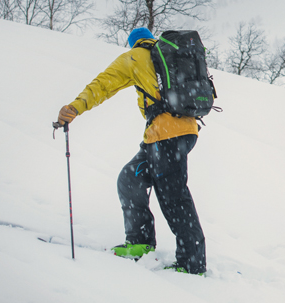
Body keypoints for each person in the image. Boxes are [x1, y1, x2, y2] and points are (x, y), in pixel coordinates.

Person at [55, 27, 206, 275]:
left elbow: (102, 85)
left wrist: (75, 107)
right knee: (130, 178)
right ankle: (140, 242)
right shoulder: (166, 55)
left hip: (166, 136)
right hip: (179, 132)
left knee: (174, 198)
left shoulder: (134, 57)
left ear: (132, 42)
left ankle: (192, 263)